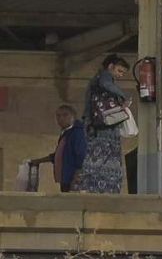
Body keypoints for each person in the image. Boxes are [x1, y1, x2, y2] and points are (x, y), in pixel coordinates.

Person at [74, 55, 131, 194]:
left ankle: (93, 187)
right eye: (119, 71)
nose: (120, 75)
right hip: (101, 127)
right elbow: (106, 84)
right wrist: (124, 96)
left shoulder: (96, 80)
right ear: (110, 66)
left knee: (97, 158)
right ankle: (103, 189)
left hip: (96, 125)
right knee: (102, 158)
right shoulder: (104, 77)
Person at [30, 104, 88, 193]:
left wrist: (77, 176)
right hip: (65, 178)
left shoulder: (77, 133)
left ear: (73, 117)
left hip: (73, 178)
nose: (61, 118)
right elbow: (59, 155)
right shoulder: (66, 133)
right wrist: (38, 161)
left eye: (65, 115)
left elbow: (81, 155)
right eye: (58, 116)